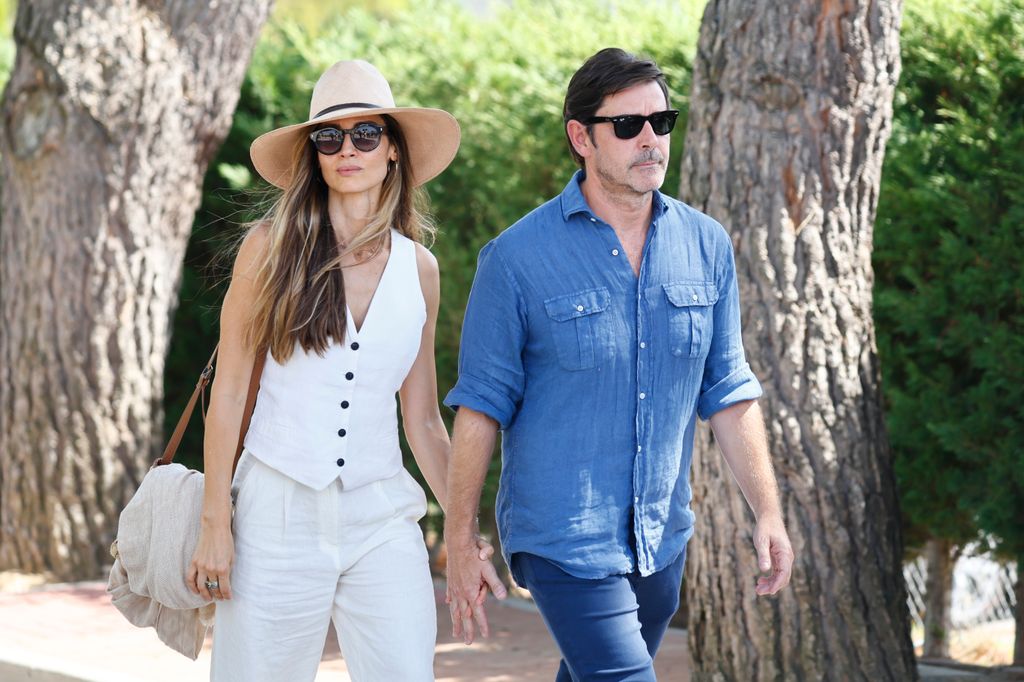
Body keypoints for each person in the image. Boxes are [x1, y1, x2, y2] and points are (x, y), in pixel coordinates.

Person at [443, 47, 795, 680]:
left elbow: (730, 390)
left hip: (662, 539)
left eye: (661, 122)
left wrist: (766, 510)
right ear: (581, 136)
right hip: (563, 539)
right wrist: (460, 537)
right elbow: (480, 407)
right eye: (627, 125)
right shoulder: (515, 259)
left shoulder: (706, 244)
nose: (650, 140)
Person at [185, 59, 488, 682]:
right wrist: (217, 519)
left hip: (381, 518)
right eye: (330, 137)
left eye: (366, 134)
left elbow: (424, 419)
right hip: (276, 514)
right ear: (315, 154)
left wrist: (462, 535)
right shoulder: (268, 249)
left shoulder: (420, 270)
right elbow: (231, 387)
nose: (347, 149)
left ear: (394, 150)